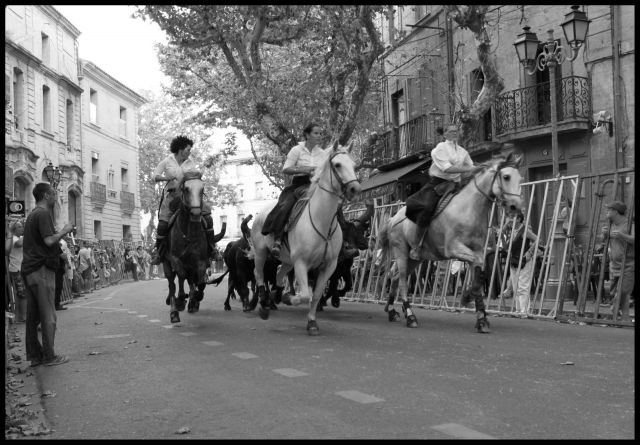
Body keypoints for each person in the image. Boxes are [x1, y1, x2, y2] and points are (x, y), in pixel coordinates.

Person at [405, 123, 478, 260]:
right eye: (450, 131)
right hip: (438, 184)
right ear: (444, 134)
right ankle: (416, 245)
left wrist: (484, 168)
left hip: (457, 184)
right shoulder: (439, 149)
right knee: (426, 207)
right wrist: (468, 170)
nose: (454, 133)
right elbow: (447, 169)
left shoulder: (463, 152)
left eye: (456, 131)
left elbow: (472, 166)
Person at [21, 182, 74, 366]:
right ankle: (50, 356)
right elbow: (49, 240)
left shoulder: (32, 215)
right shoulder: (43, 214)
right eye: (53, 193)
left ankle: (35, 356)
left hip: (30, 269)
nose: (55, 196)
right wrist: (65, 230)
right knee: (48, 315)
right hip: (41, 269)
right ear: (45, 196)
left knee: (33, 315)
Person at [261, 122, 328, 258]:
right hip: (299, 184)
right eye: (316, 133)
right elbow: (286, 169)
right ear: (307, 135)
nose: (320, 136)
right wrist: (306, 169)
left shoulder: (322, 153)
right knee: (285, 206)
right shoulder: (296, 150)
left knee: (335, 204)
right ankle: (278, 240)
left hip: (317, 185)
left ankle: (344, 241)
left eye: (320, 133)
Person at [151, 135, 217, 265]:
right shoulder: (167, 161)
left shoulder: (190, 162)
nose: (189, 152)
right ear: (180, 149)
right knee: (163, 225)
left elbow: (193, 177)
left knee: (207, 216)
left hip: (188, 195)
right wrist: (166, 178)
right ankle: (159, 254)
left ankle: (212, 248)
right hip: (172, 196)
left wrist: (198, 175)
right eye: (188, 150)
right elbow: (154, 176)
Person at [601, 200, 634, 320]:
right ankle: (625, 319)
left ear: (615, 212)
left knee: (623, 291)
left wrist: (622, 236)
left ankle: (614, 308)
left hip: (629, 264)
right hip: (614, 265)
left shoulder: (629, 224)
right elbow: (604, 243)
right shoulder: (610, 224)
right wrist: (604, 235)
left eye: (609, 209)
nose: (607, 212)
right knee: (622, 295)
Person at [504, 211, 541, 317]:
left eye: (512, 217)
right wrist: (506, 224)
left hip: (524, 260)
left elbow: (538, 239)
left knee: (523, 285)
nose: (510, 219)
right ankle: (518, 309)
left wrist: (529, 252)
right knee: (515, 286)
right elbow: (500, 233)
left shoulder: (525, 230)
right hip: (513, 260)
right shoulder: (511, 230)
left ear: (519, 219)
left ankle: (524, 311)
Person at [8, 220, 27, 322]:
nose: (22, 228)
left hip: (19, 268)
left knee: (21, 294)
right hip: (16, 268)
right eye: (20, 227)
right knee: (22, 293)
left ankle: (21, 316)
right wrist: (28, 233)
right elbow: (19, 244)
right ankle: (23, 317)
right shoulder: (14, 238)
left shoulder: (18, 237)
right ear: (14, 229)